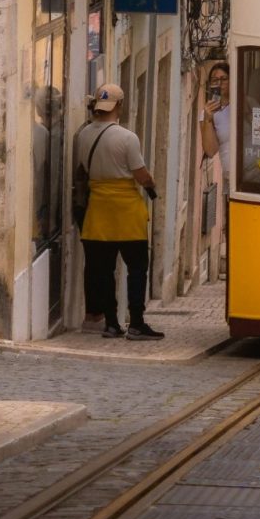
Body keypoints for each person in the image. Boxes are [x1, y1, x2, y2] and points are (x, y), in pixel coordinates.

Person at [74, 84, 163, 340]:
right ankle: (136, 322)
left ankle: (111, 323)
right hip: (126, 209)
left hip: (98, 209)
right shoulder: (127, 138)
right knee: (137, 267)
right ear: (120, 105)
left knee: (103, 269)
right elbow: (139, 173)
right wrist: (150, 183)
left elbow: (83, 167)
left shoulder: (83, 135)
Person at [197, 61, 231, 280]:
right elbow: (210, 150)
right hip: (229, 181)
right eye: (214, 80)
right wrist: (207, 119)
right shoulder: (208, 114)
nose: (218, 84)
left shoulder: (246, 103)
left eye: (223, 79)